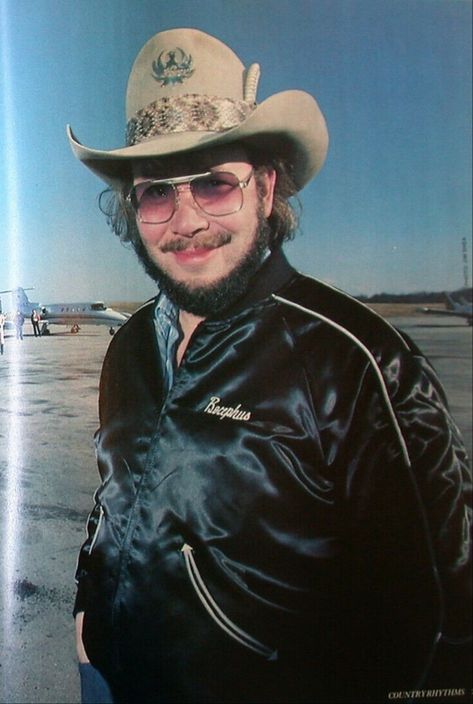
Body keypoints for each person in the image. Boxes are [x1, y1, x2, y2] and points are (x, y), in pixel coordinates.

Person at [68, 28, 472, 704]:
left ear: (266, 186)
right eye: (157, 192)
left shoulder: (357, 363)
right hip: (108, 680)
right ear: (132, 209)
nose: (187, 219)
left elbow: (444, 626)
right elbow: (114, 499)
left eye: (213, 183)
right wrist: (88, 608)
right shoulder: (130, 345)